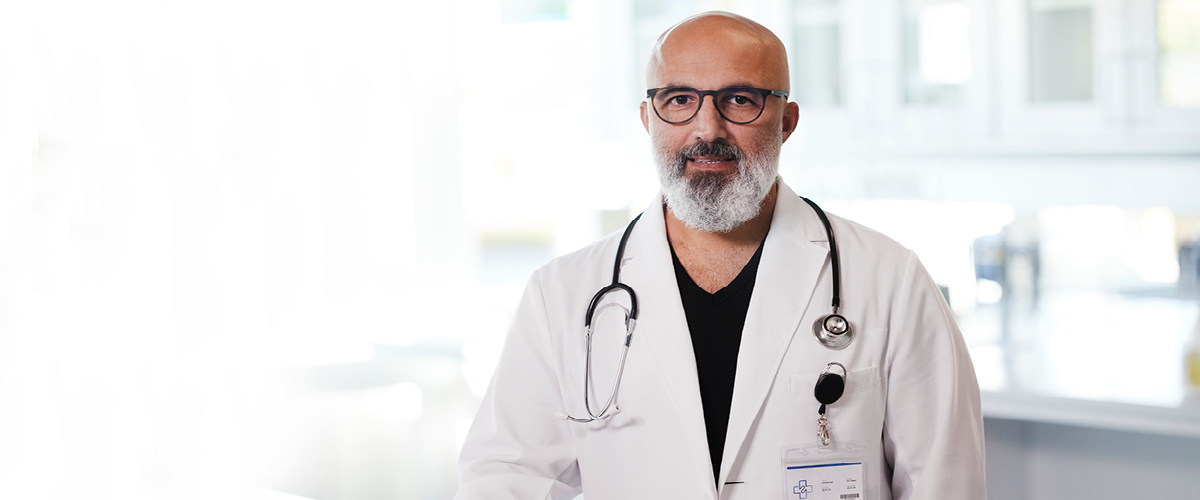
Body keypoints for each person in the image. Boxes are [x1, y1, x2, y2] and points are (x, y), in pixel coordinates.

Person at [454, 11, 985, 500]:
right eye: (679, 100)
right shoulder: (562, 294)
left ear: (787, 121)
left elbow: (946, 483)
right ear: (648, 118)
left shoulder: (890, 281)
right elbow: (503, 478)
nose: (707, 129)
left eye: (740, 99)